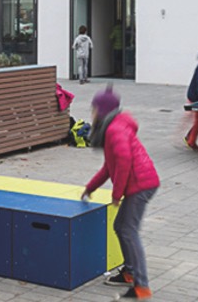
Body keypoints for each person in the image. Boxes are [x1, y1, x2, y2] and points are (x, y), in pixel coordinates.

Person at [82, 88, 160, 300]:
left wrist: (117, 194)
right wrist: (90, 188)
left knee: (128, 230)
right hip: (140, 182)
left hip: (141, 184)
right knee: (120, 226)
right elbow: (109, 167)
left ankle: (141, 286)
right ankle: (129, 272)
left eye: (94, 109)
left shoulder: (115, 130)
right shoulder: (113, 127)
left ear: (102, 111)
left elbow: (124, 161)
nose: (92, 113)